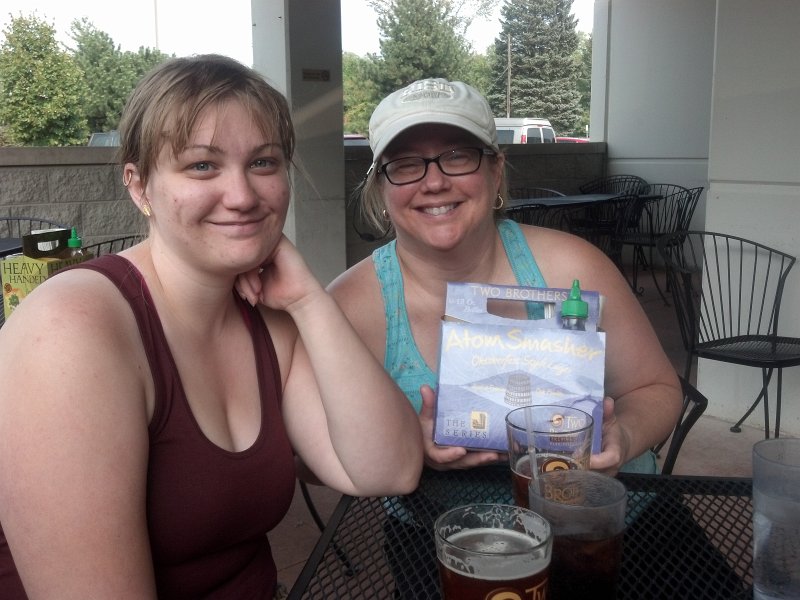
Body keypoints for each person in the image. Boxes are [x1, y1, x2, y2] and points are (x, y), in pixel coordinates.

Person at [237, 77, 683, 597]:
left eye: (457, 156)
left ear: (495, 171)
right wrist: (408, 450)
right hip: (448, 544)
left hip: (612, 531)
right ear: (381, 186)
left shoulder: (572, 266)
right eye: (405, 163)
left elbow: (657, 389)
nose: (434, 182)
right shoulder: (346, 309)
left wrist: (622, 438)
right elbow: (309, 465)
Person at [0, 55, 422, 600]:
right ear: (139, 186)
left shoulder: (272, 320)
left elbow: (388, 469)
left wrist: (309, 299)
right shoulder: (71, 330)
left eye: (264, 163)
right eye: (202, 166)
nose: (243, 196)